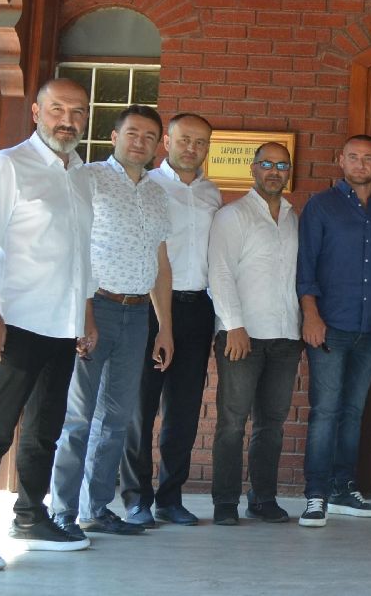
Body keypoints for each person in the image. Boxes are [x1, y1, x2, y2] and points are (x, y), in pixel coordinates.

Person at [0, 79, 96, 569]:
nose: (68, 120)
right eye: (57, 109)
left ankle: (32, 518)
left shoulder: (81, 175)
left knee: (44, 431)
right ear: (36, 112)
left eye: (77, 112)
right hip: (14, 320)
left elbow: (82, 254)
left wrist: (86, 314)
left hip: (62, 324)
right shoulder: (8, 165)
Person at [50, 105, 173, 538]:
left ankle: (96, 508)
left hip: (137, 313)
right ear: (114, 136)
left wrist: (165, 327)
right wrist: (82, 313)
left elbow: (161, 263)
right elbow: (72, 246)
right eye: (132, 133)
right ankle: (61, 511)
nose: (140, 142)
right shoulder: (89, 179)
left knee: (117, 417)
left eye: (149, 136)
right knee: (78, 416)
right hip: (95, 306)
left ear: (157, 146)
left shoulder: (158, 193)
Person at [120, 113, 222, 528]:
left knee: (184, 409)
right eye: (184, 140)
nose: (192, 148)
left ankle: (170, 497)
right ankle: (136, 498)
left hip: (197, 307)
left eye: (200, 142)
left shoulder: (212, 193)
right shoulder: (148, 186)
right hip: (149, 307)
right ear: (167, 142)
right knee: (140, 406)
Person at [296, 134, 371, 527]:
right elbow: (305, 265)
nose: (360, 164)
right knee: (325, 411)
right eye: (353, 157)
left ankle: (343, 490)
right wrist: (310, 315)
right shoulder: (320, 206)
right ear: (341, 160)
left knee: (353, 413)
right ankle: (316, 495)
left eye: (368, 158)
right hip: (330, 326)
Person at [208, 142, 302, 526]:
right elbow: (220, 272)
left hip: (286, 336)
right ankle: (225, 502)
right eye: (267, 164)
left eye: (282, 165)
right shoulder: (232, 215)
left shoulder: (294, 219)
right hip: (242, 336)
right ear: (253, 168)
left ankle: (263, 499)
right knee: (232, 422)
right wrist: (234, 325)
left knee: (271, 424)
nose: (274, 171)